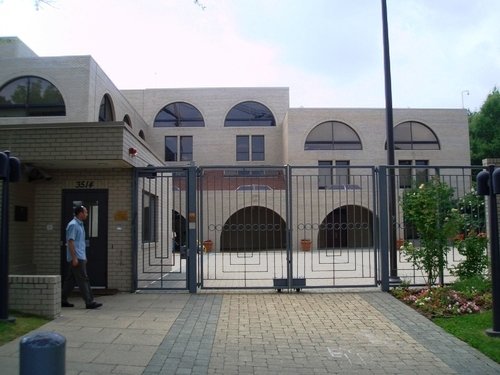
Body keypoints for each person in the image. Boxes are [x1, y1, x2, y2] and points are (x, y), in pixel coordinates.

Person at [61, 205, 102, 309]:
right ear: (80, 213)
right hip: (77, 257)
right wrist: (75, 258)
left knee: (70, 280)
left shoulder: (80, 225)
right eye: (86, 212)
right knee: (84, 279)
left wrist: (84, 256)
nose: (87, 214)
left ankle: (62, 299)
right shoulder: (73, 225)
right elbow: (70, 242)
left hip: (80, 256)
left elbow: (80, 243)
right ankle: (89, 302)